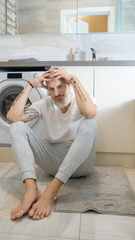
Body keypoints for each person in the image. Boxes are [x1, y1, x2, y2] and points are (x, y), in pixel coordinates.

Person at [7, 67, 97, 221]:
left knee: (90, 123)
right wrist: (30, 85)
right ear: (47, 90)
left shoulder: (82, 101)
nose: (56, 93)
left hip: (80, 165)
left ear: (69, 84)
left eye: (60, 86)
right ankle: (31, 189)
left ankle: (51, 190)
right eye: (51, 89)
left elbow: (90, 113)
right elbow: (12, 116)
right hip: (51, 163)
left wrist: (74, 78)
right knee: (17, 126)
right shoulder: (44, 104)